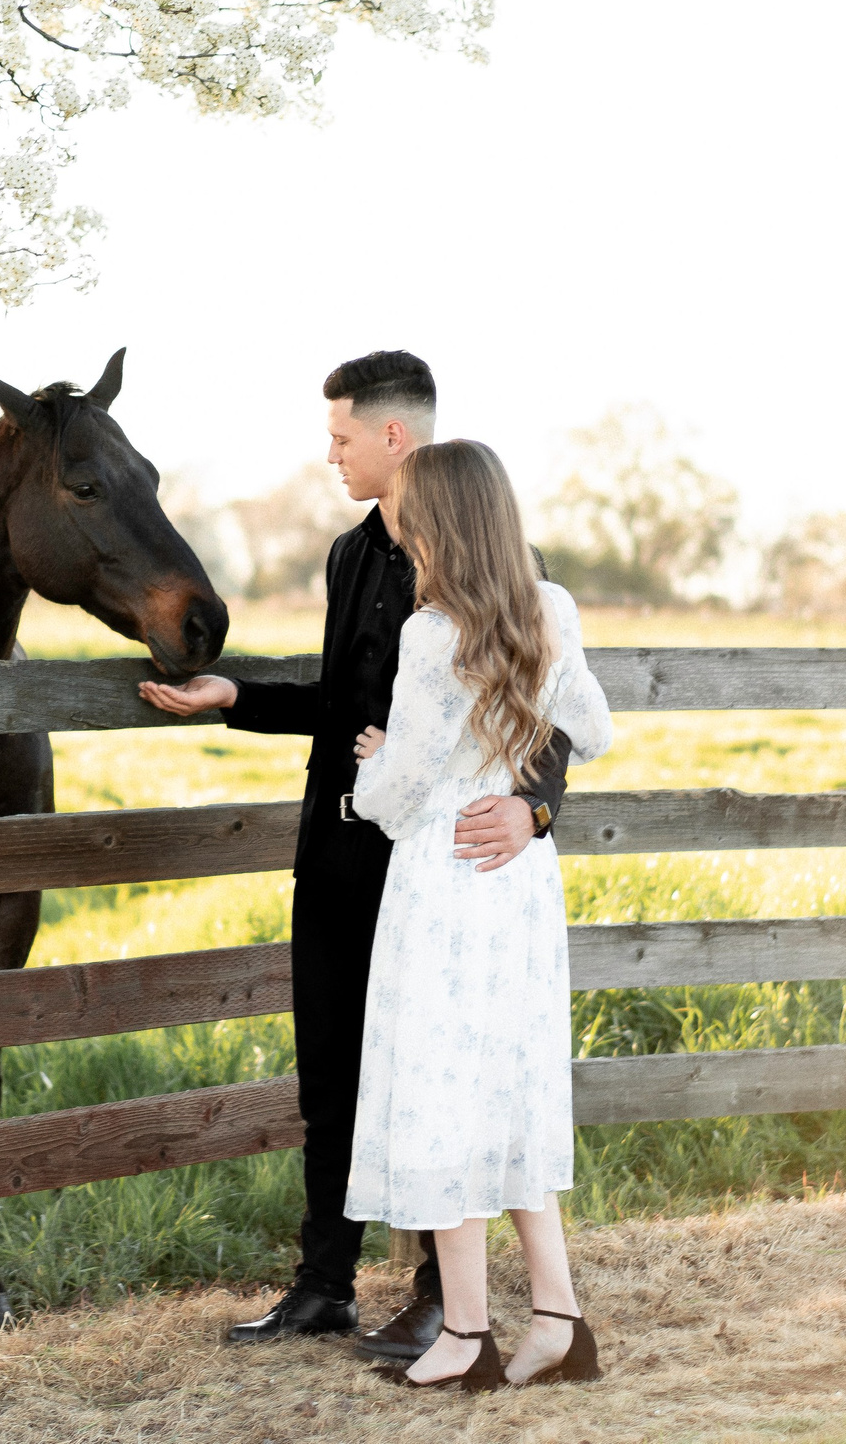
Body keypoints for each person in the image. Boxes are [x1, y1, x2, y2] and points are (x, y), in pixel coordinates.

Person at [138, 352, 573, 1359]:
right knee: (330, 1073)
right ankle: (323, 1283)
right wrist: (238, 698)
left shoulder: (508, 559)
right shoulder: (345, 556)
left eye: (340, 437)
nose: (328, 454)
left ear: (394, 437)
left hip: (437, 863)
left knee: (437, 1078)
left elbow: (546, 714)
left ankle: (440, 1296)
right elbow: (343, 710)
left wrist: (533, 811)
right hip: (334, 854)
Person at [344, 438, 613, 1390]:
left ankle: (465, 1334)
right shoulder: (553, 610)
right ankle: (559, 1319)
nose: (397, 524)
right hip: (520, 890)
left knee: (439, 1096)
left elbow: (401, 791)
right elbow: (597, 725)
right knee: (507, 1094)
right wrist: (518, 785)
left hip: (448, 881)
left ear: (437, 522)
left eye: (408, 511)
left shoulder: (431, 632)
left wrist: (371, 769)